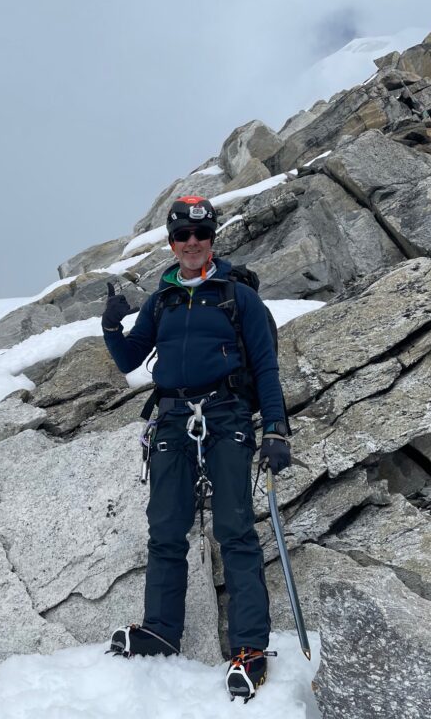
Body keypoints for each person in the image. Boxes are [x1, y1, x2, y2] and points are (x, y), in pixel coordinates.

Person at [101, 195, 292, 702]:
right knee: (165, 529)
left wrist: (276, 428)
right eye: (182, 236)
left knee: (234, 530)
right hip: (171, 418)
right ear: (171, 241)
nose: (191, 244)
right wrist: (110, 325)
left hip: (226, 415)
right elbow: (129, 359)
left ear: (212, 240)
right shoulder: (161, 299)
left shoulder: (237, 296)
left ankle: (249, 648)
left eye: (200, 235)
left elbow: (267, 366)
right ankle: (161, 630)